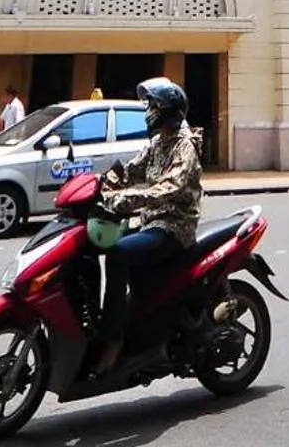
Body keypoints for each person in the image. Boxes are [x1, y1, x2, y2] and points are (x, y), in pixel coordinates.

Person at [94, 77, 202, 373]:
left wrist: (125, 200)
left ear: (168, 110)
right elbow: (130, 171)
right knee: (96, 245)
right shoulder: (157, 143)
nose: (149, 110)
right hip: (151, 222)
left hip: (173, 227)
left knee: (118, 253)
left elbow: (169, 187)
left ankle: (113, 339)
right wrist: (99, 186)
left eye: (154, 105)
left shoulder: (185, 147)